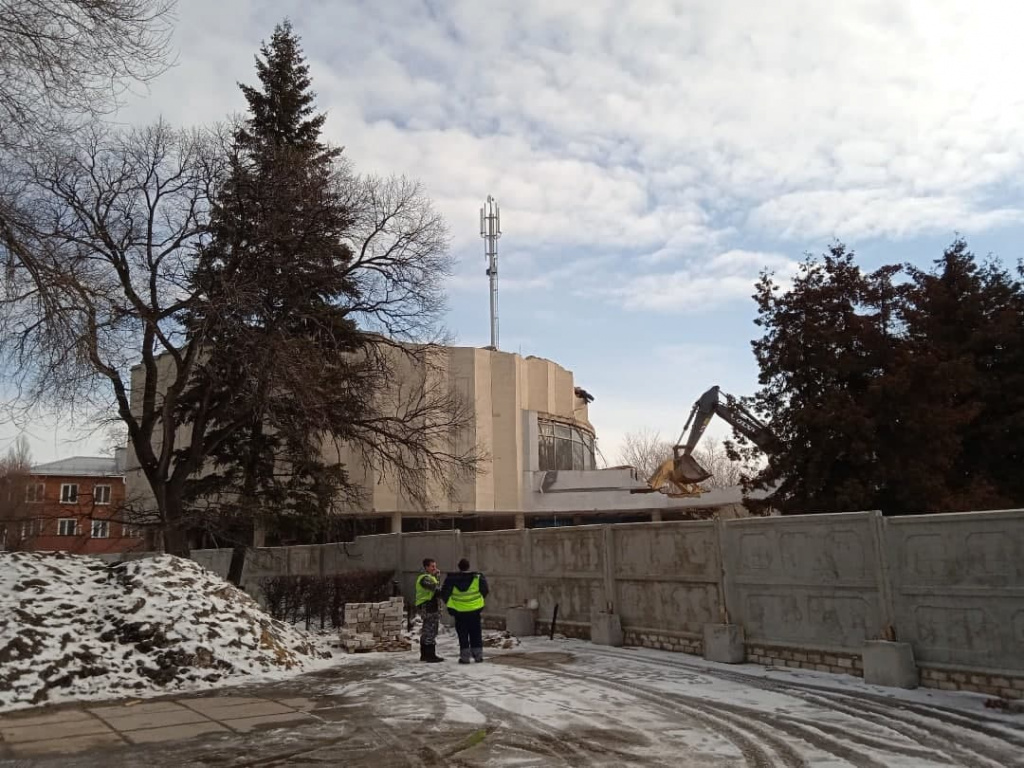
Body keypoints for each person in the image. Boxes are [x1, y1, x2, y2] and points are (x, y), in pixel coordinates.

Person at [441, 558, 489, 664]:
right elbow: (485, 591)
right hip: (475, 610)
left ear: (459, 567)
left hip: (459, 611)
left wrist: (452, 605)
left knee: (462, 634)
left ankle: (465, 657)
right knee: (476, 632)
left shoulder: (451, 579)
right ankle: (478, 656)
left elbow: (444, 594)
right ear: (468, 566)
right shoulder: (478, 577)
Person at [415, 558, 445, 663]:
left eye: (435, 566)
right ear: (426, 567)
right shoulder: (425, 578)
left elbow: (437, 589)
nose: (435, 568)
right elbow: (436, 589)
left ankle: (426, 655)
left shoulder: (429, 577)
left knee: (429, 630)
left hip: (431, 606)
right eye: (432, 566)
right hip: (428, 607)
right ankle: (429, 655)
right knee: (430, 631)